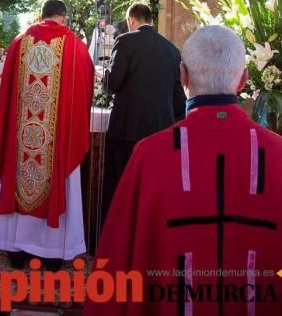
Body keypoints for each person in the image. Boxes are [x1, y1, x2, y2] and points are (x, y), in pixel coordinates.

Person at [85, 25, 282, 315]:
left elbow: (116, 261)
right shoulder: (278, 153)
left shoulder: (149, 155)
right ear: (243, 79)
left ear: (183, 75)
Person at [0, 0, 94, 268]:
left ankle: (15, 247)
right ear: (63, 17)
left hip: (22, 138)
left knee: (19, 173)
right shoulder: (75, 47)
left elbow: (6, 93)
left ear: (41, 15)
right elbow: (85, 91)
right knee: (59, 176)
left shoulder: (19, 41)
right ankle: (52, 251)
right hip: (57, 140)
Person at [101, 2, 185, 222]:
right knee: (153, 190)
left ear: (131, 21)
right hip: (160, 134)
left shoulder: (125, 41)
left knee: (120, 187)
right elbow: (179, 101)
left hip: (127, 131)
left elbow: (114, 82)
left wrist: (103, 78)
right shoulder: (172, 50)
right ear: (152, 21)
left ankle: (112, 238)